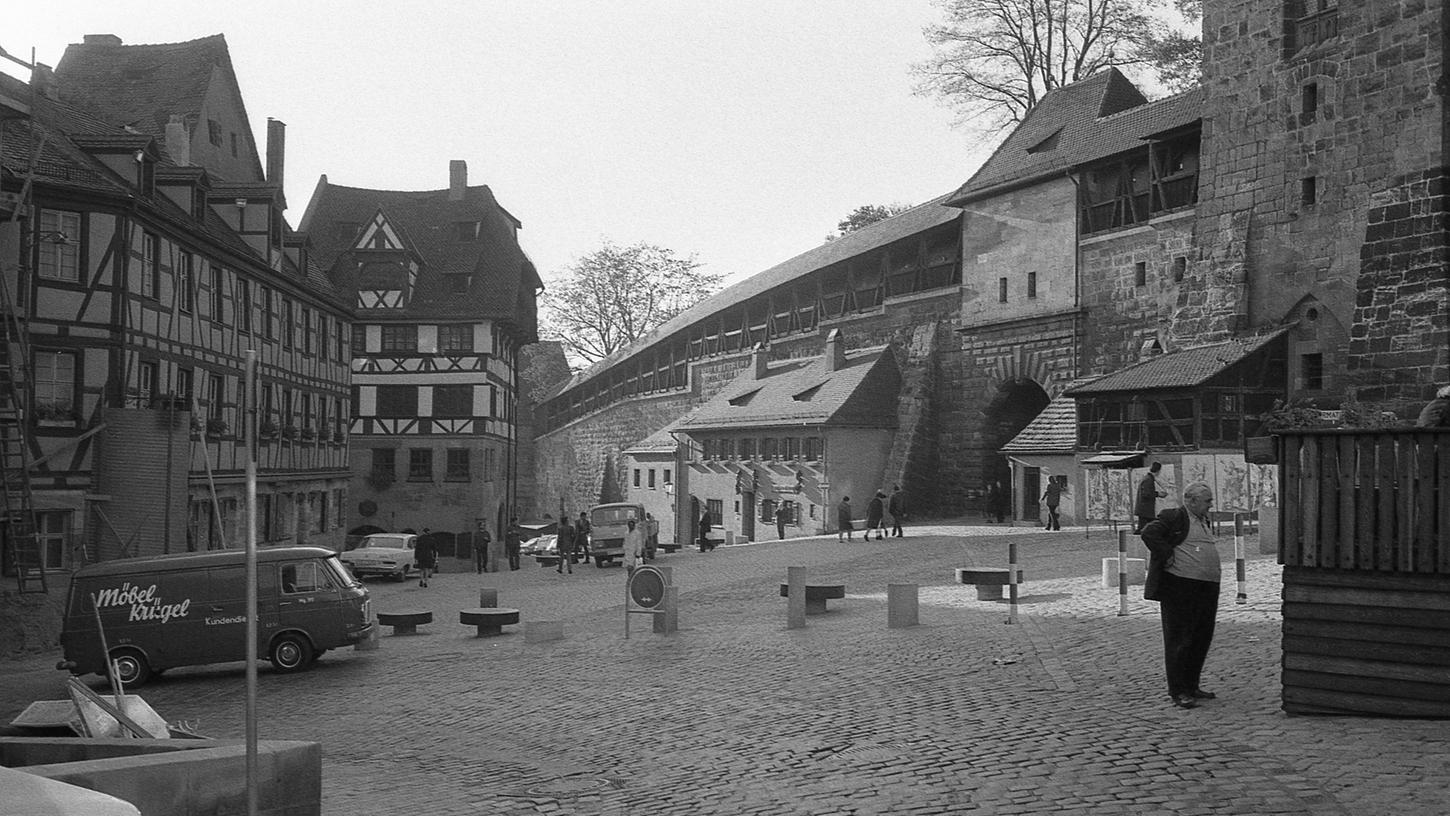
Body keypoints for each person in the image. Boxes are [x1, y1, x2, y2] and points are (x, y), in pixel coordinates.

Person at [1140, 481, 1222, 710]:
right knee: (1179, 639)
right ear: (1191, 500)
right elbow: (1149, 533)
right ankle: (1179, 691)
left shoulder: (1202, 520)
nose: (1211, 504)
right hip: (1180, 586)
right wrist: (1167, 554)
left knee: (1200, 637)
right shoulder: (1174, 516)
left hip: (1206, 587)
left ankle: (1192, 684)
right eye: (1207, 500)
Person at [1135, 463, 1168, 533]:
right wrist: (1158, 494)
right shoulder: (1148, 480)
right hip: (1145, 509)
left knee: (1148, 528)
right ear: (1158, 471)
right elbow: (1146, 494)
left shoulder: (1148, 478)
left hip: (1145, 509)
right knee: (1144, 529)